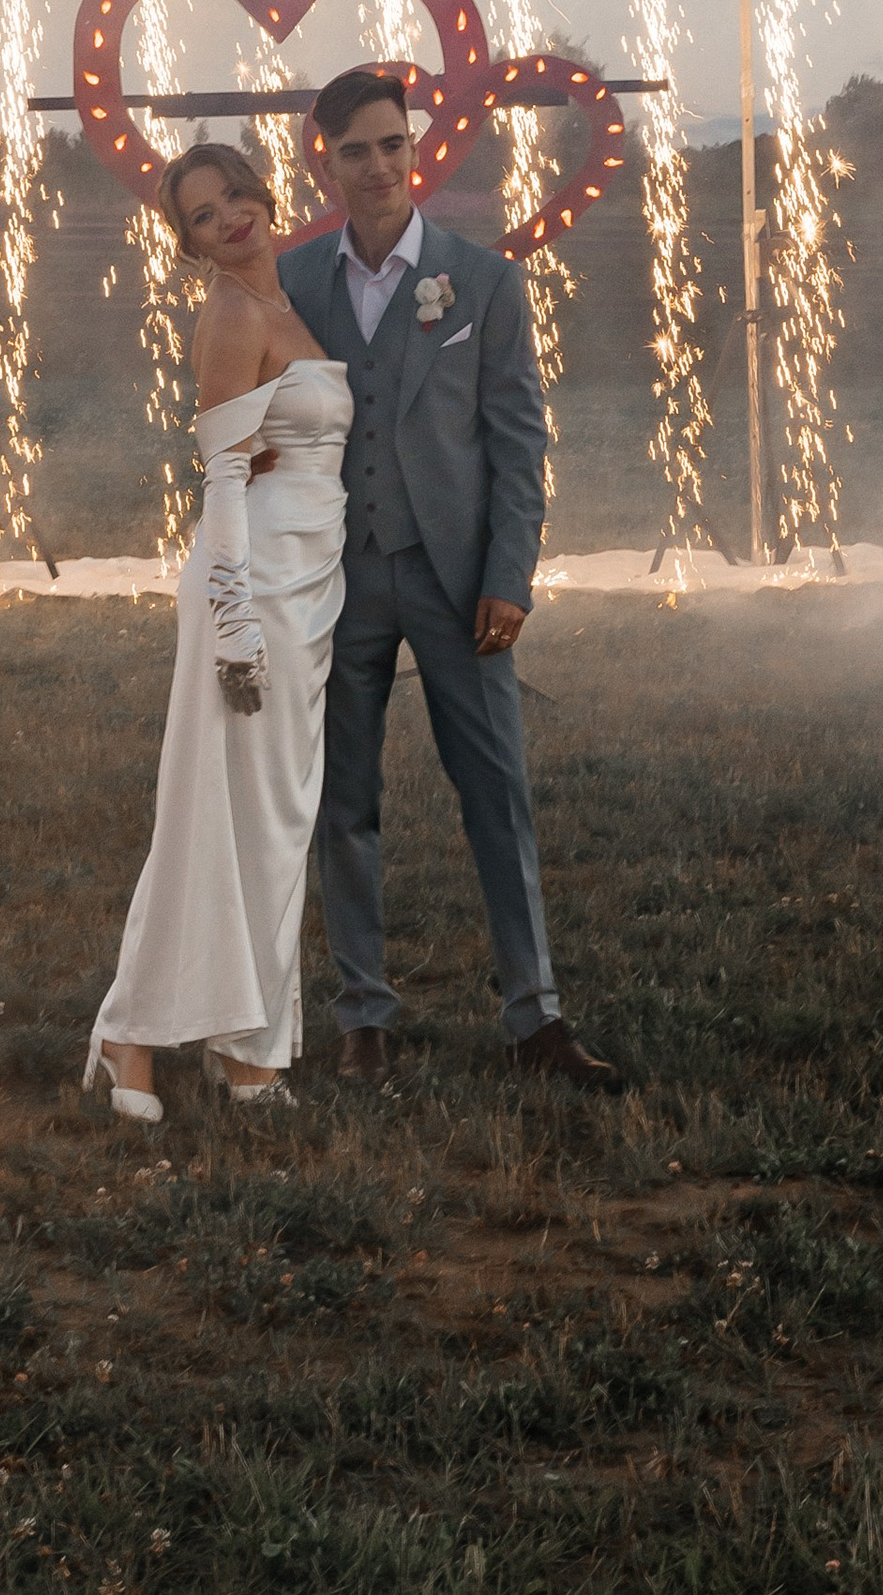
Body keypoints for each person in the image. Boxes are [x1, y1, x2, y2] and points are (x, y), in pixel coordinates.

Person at [275, 67, 624, 1092]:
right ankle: (364, 1017)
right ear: (325, 163)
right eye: (354, 151)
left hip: (458, 579)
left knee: (496, 793)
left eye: (391, 144)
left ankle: (535, 1016)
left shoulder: (483, 281)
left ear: (414, 147)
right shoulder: (296, 282)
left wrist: (509, 574)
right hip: (336, 579)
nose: (376, 167)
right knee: (342, 801)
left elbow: (518, 441)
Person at [84, 143, 352, 1125]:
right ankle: (145, 1038)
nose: (230, 217)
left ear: (261, 192)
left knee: (273, 822)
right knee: (223, 818)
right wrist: (235, 619)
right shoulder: (233, 315)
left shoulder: (291, 305)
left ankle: (240, 1047)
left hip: (311, 585)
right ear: (189, 243)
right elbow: (226, 474)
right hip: (253, 589)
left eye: (236, 195)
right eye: (204, 215)